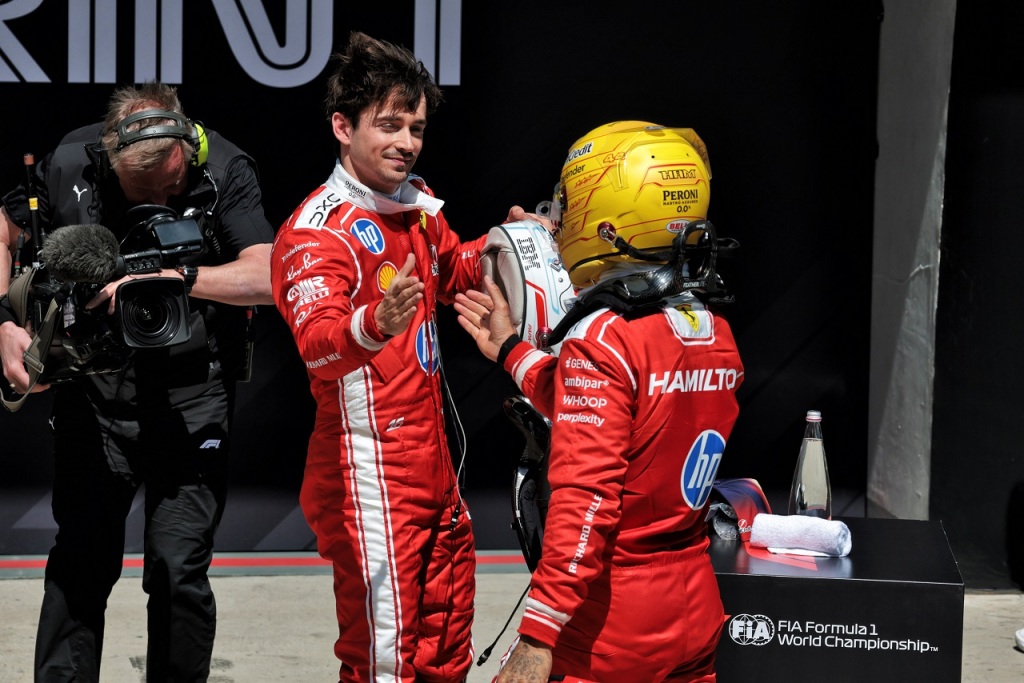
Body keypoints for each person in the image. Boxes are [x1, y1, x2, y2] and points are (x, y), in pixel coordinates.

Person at [0, 82, 274, 681]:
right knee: (80, 561)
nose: (159, 202)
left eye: (171, 188)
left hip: (193, 396)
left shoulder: (225, 168)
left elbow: (269, 275)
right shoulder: (71, 160)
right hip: (93, 393)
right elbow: (4, 228)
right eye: (141, 192)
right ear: (109, 160)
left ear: (187, 152)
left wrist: (175, 278)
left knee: (177, 570)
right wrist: (4, 322)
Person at [455, 121, 745, 682]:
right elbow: (619, 409)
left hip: (611, 622)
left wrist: (537, 636)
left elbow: (585, 501)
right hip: (696, 601)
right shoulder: (715, 331)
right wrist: (511, 349)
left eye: (567, 205)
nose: (559, 219)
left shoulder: (606, 337)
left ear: (605, 219)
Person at [269, 32, 490, 682]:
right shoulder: (315, 232)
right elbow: (318, 347)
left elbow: (457, 270)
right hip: (365, 474)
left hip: (434, 465)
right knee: (383, 663)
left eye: (415, 128)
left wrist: (514, 242)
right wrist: (373, 324)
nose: (407, 142)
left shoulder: (414, 205)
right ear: (343, 127)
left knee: (445, 651)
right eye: (389, 126)